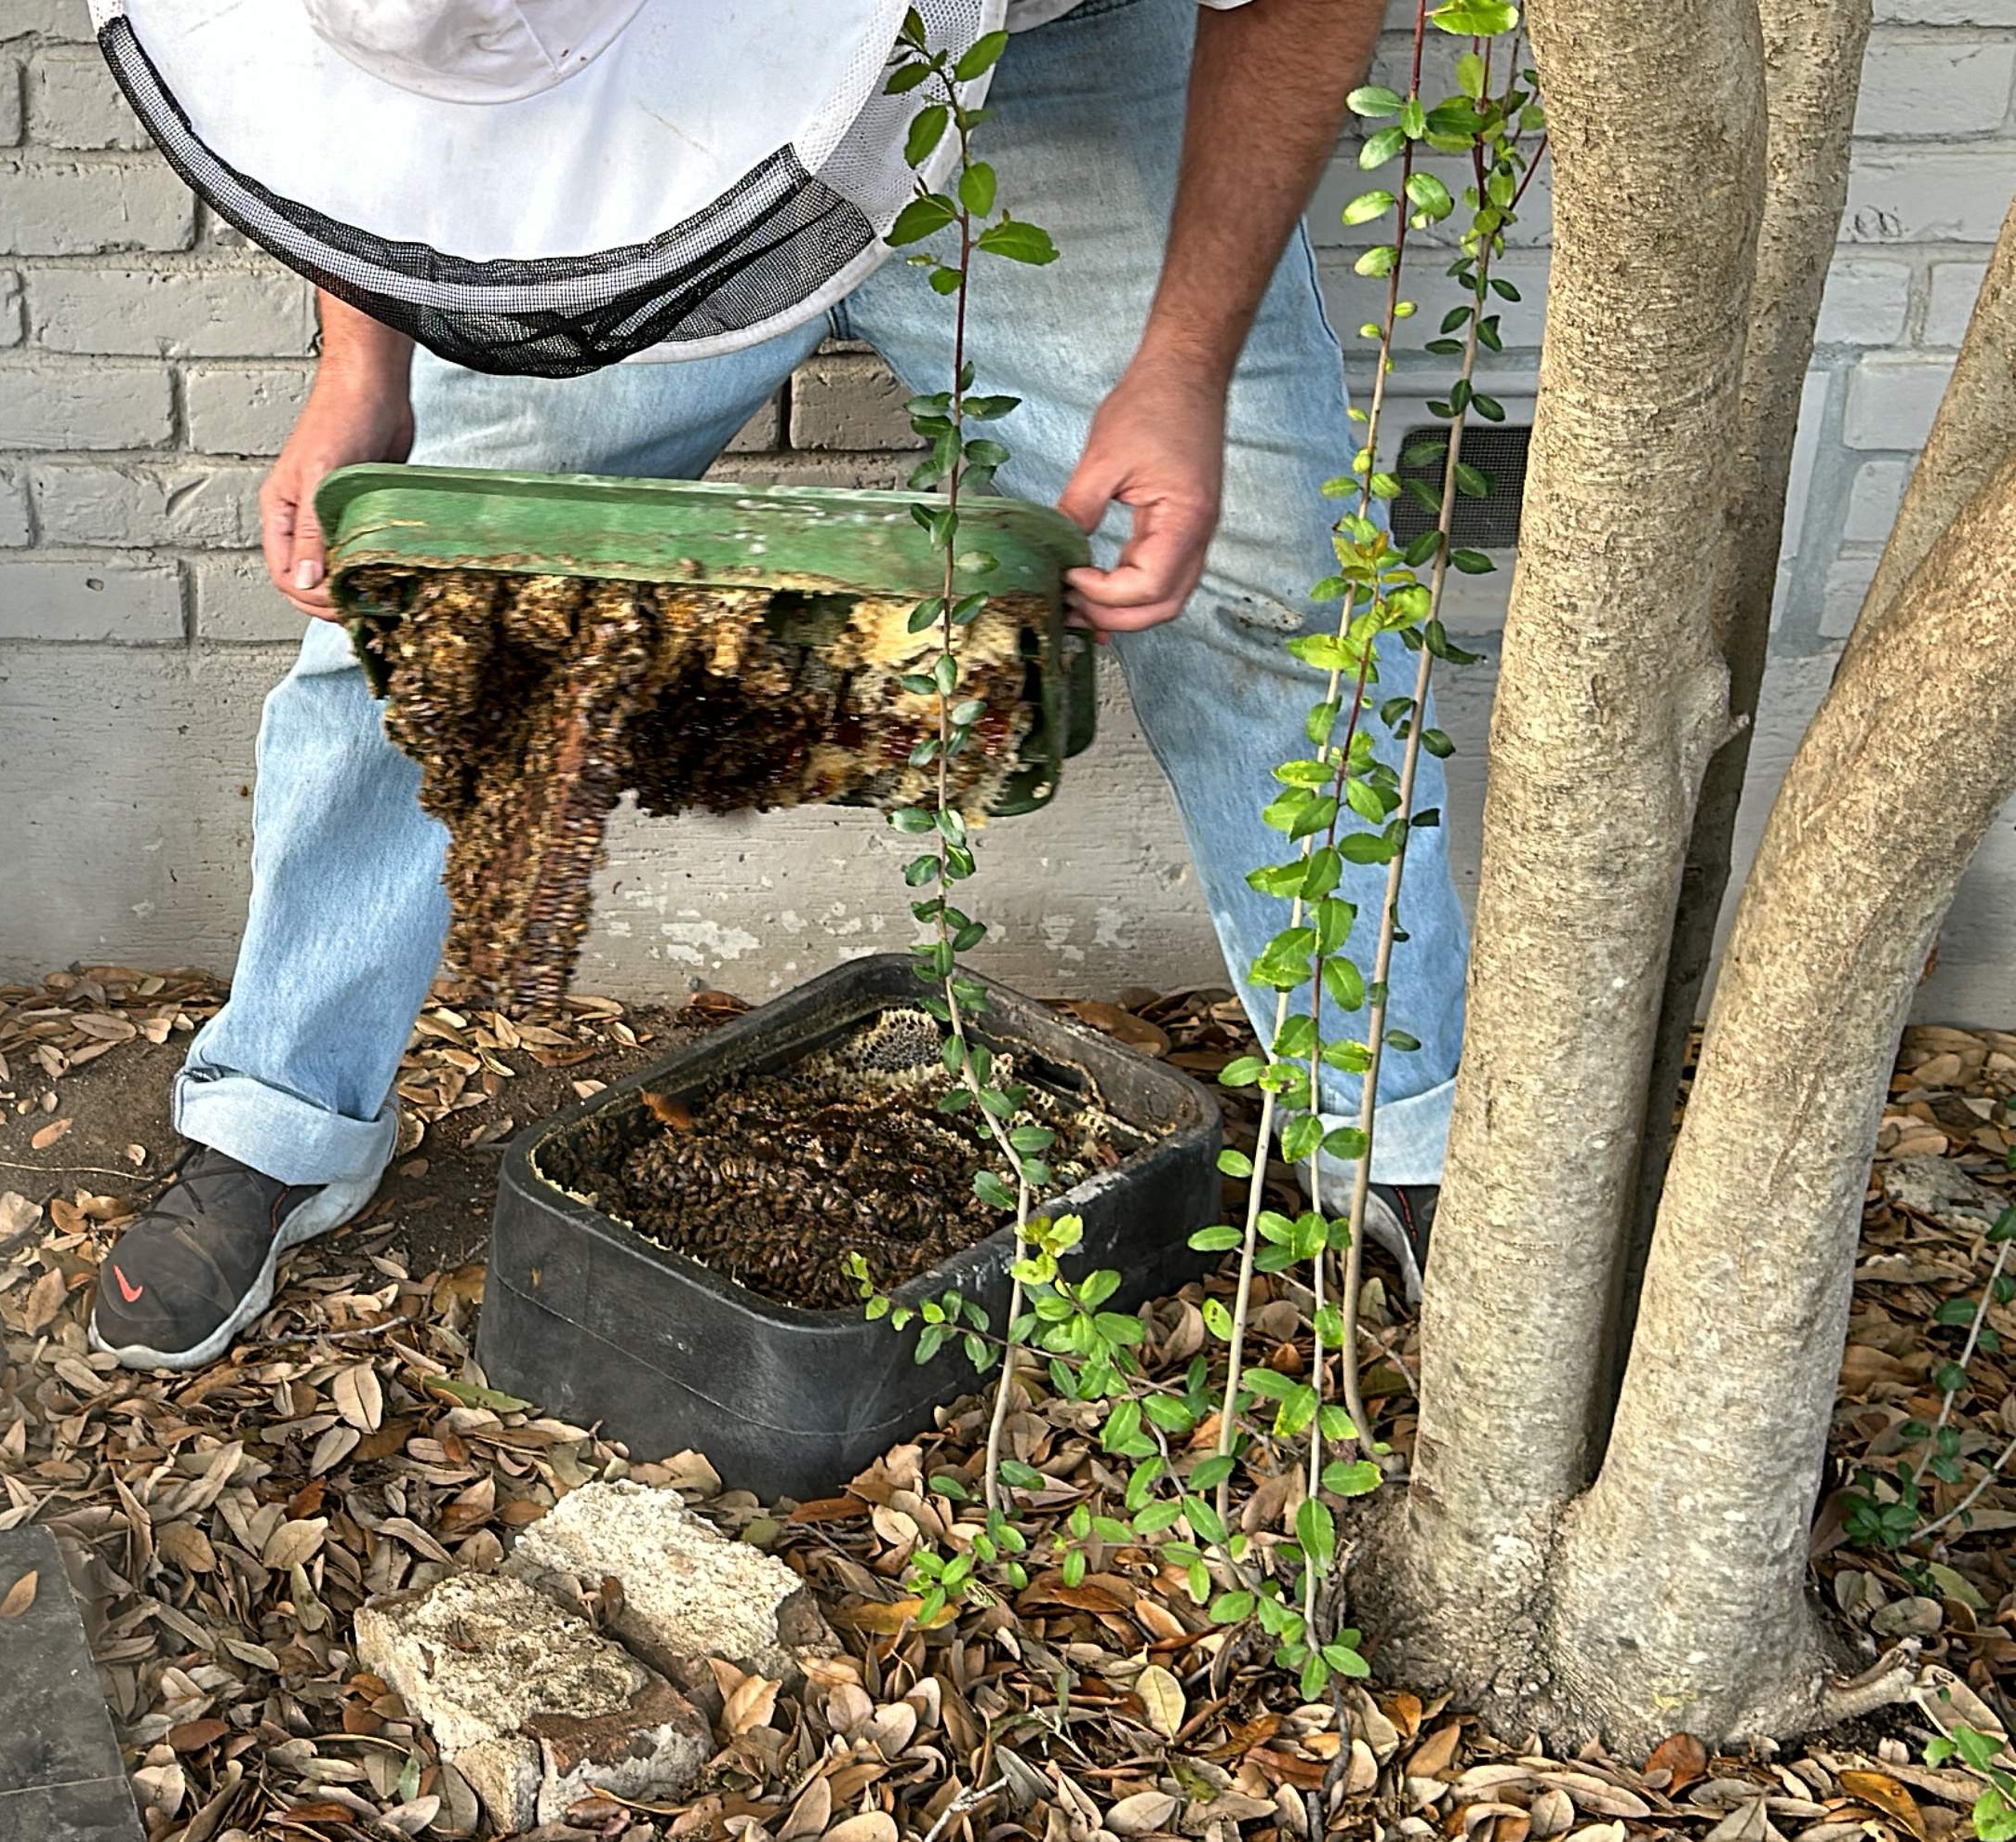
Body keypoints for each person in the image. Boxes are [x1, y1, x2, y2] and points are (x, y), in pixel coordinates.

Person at [79, 0, 1461, 1371]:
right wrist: (361, 363)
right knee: (423, 583)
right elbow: (384, 122)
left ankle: (1399, 1128)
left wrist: (1184, 366)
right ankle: (279, 1113)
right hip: (613, 118)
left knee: (1271, 595)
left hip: (1045, 70)